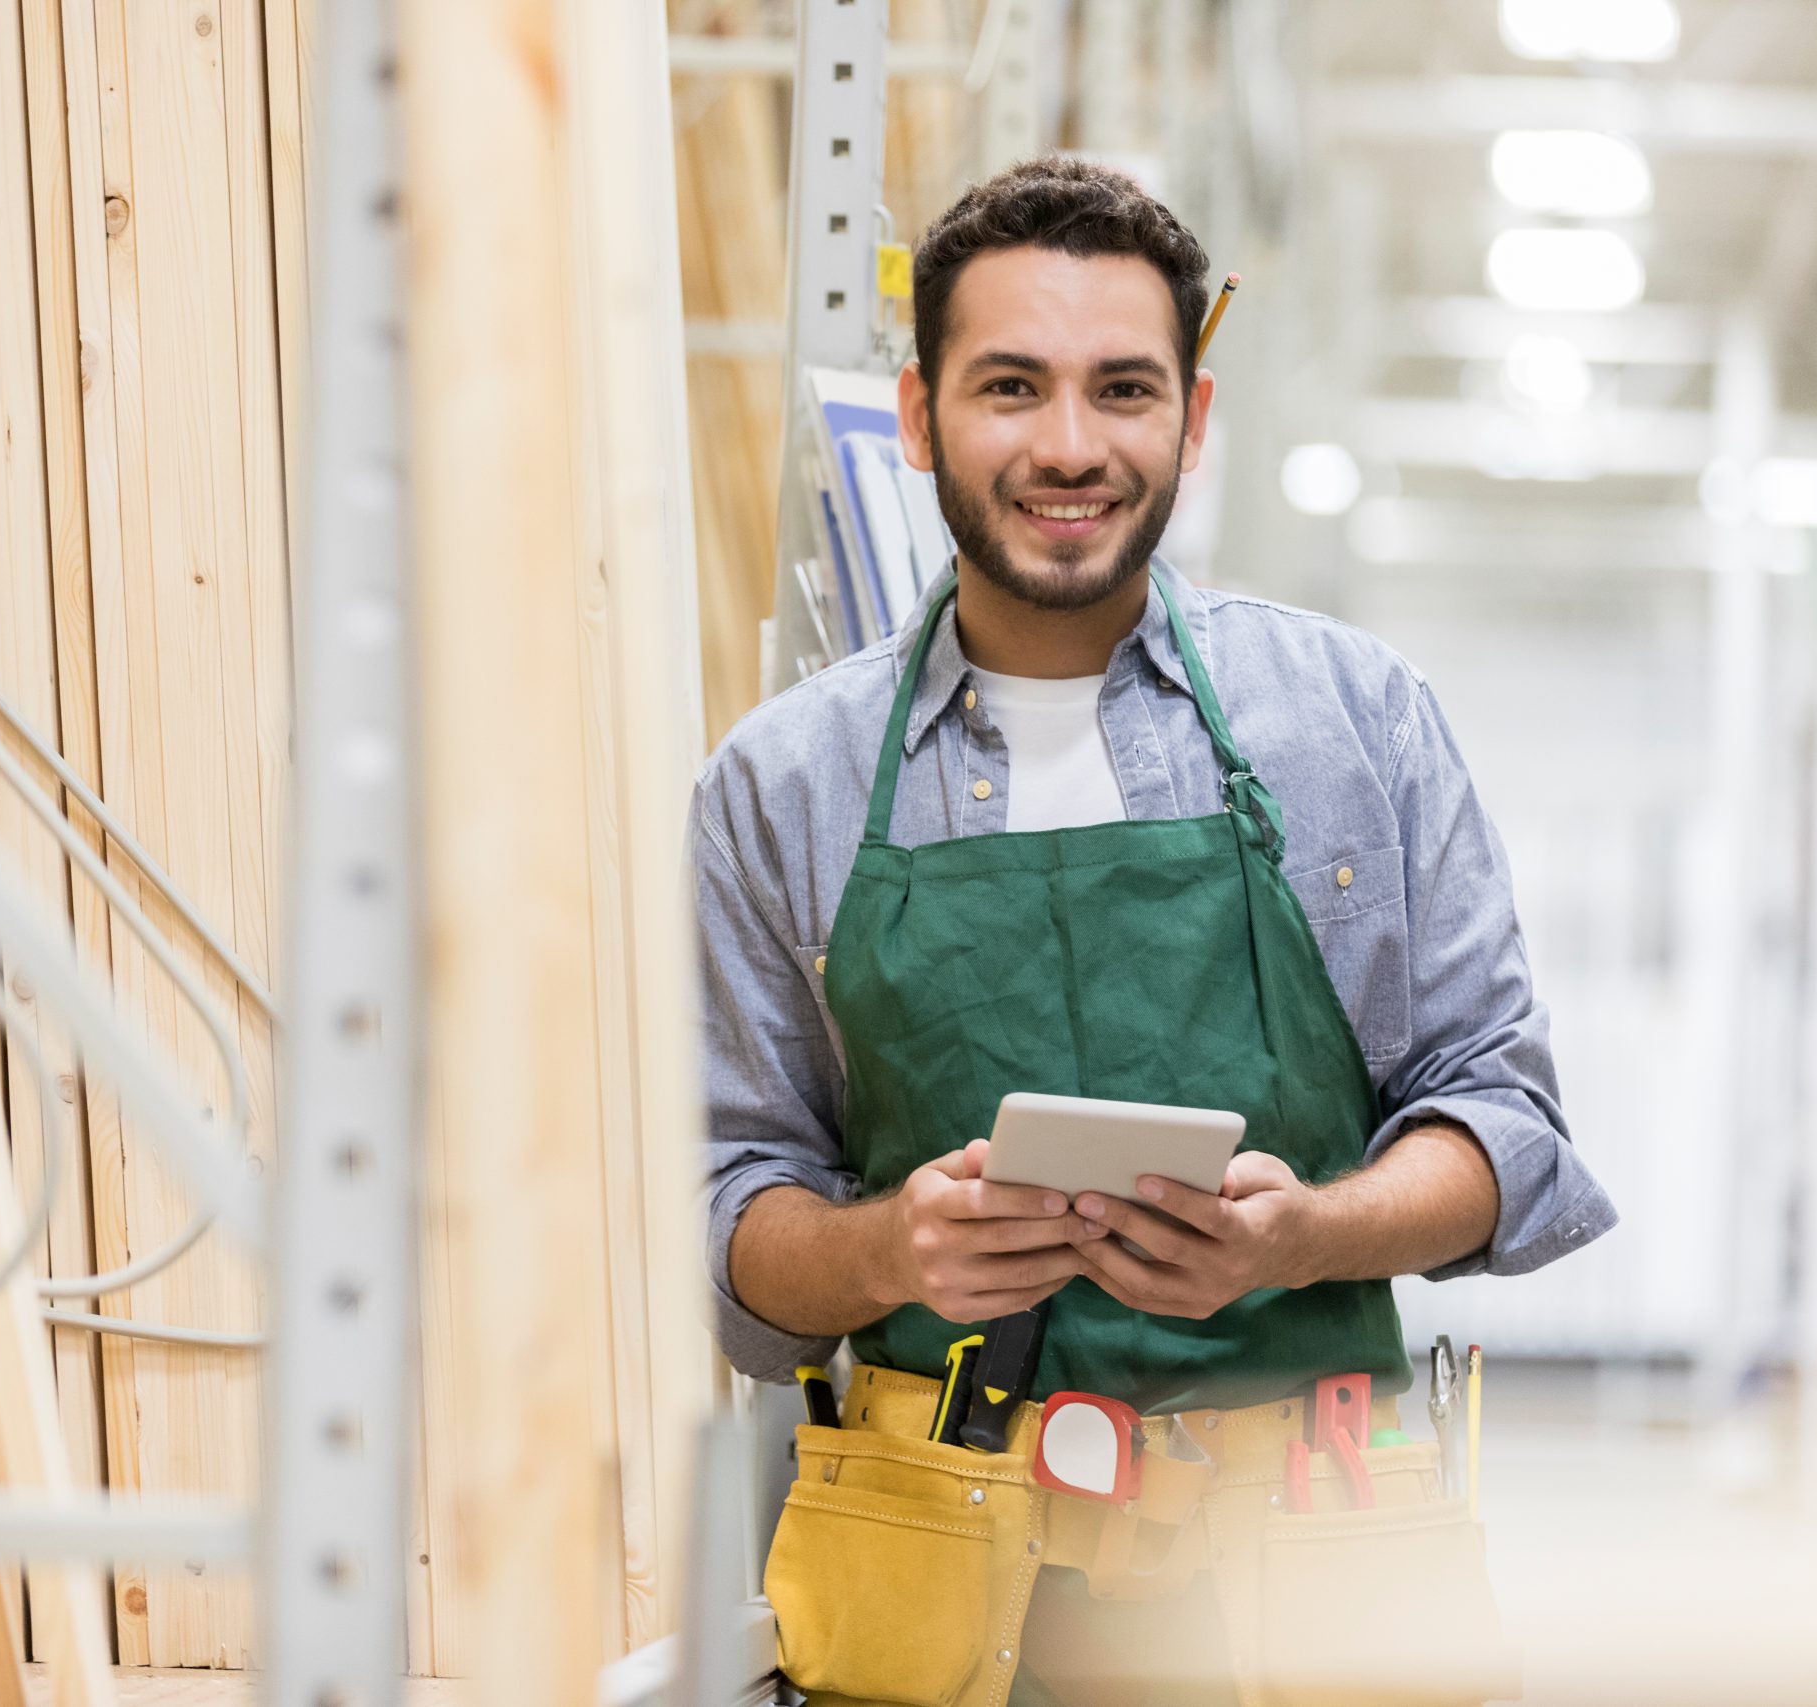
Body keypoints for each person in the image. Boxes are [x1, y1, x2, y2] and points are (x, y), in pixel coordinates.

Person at [693, 157, 1616, 1706]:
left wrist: (1306, 1235)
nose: (1069, 446)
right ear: (921, 418)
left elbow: (1504, 1130)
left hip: (1315, 1576)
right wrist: (887, 1246)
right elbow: (730, 1225)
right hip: (939, 1590)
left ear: (1191, 420)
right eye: (1010, 387)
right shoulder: (781, 785)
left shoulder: (1355, 725)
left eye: (1123, 389)